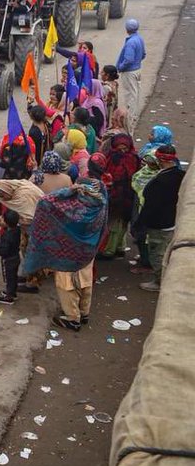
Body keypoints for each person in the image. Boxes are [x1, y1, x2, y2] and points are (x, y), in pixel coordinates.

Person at [20, 172, 108, 331]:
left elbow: (46, 201)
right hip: (88, 251)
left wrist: (69, 191)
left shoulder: (73, 208)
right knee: (85, 282)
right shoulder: (100, 205)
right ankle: (84, 313)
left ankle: (73, 318)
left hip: (69, 253)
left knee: (67, 285)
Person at [136, 145, 184, 292]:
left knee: (157, 254)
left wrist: (140, 223)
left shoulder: (160, 181)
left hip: (160, 223)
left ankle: (160, 282)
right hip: (172, 220)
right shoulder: (180, 175)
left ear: (161, 160)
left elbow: (151, 206)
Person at [98, 132, 139, 260]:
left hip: (119, 197)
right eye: (119, 148)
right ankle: (120, 247)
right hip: (124, 196)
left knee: (114, 225)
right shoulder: (134, 158)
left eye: (124, 148)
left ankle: (110, 250)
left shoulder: (113, 158)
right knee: (120, 224)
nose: (122, 150)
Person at [116, 18, 145, 129]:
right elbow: (143, 54)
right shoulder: (139, 39)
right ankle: (133, 116)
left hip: (129, 72)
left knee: (130, 97)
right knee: (135, 95)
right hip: (137, 69)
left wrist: (121, 67)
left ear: (127, 29)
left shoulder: (131, 42)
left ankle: (130, 121)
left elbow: (128, 59)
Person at [0, 208, 23, 305]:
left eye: (3, 218)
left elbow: (4, 250)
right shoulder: (17, 229)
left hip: (8, 260)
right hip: (16, 257)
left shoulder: (7, 236)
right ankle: (12, 292)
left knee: (9, 278)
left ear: (6, 223)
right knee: (13, 277)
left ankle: (9, 296)